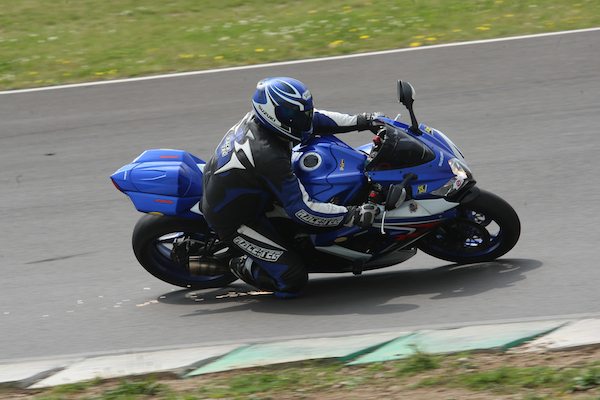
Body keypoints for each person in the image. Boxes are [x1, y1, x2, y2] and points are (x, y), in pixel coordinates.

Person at [201, 77, 381, 298]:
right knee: (292, 279)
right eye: (292, 113)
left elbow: (316, 119)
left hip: (252, 192)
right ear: (271, 113)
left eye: (304, 111)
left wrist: (364, 120)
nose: (303, 119)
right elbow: (303, 211)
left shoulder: (268, 123)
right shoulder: (268, 155)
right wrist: (352, 214)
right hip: (236, 219)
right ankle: (236, 263)